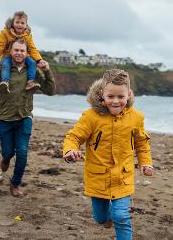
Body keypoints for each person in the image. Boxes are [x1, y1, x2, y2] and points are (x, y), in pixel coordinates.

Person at [62, 69, 153, 240]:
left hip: (123, 177)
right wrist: (70, 150)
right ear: (102, 94)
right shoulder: (91, 117)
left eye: (121, 97)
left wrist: (145, 163)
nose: (116, 101)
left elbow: (142, 143)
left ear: (129, 94)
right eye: (111, 96)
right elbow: (74, 136)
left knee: (121, 217)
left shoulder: (136, 117)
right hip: (98, 177)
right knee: (100, 218)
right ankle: (106, 217)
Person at [0, 37, 55, 197]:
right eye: (16, 50)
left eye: (22, 50)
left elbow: (50, 90)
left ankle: (15, 184)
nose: (19, 53)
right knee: (8, 152)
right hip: (5, 119)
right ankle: (6, 158)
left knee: (22, 152)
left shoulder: (32, 71)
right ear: (11, 51)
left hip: (24, 118)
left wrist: (47, 71)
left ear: (27, 53)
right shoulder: (2, 68)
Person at [0, 11, 48, 94]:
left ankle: (30, 82)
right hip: (8, 55)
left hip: (24, 57)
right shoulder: (5, 33)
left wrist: (39, 60)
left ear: (26, 25)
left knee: (32, 63)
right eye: (17, 22)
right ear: (12, 23)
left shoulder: (27, 35)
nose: (20, 25)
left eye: (22, 23)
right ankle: (5, 83)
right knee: (6, 64)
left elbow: (32, 49)